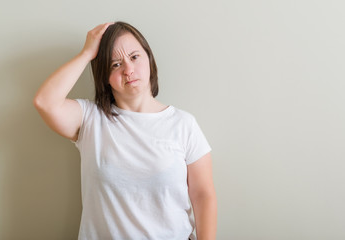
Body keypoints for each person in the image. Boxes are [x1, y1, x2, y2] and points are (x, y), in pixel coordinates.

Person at [33, 21, 217, 240]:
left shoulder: (183, 123)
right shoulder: (90, 118)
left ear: (149, 58)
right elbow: (45, 102)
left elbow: (202, 194)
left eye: (134, 57)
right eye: (115, 64)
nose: (128, 70)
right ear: (104, 77)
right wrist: (86, 53)